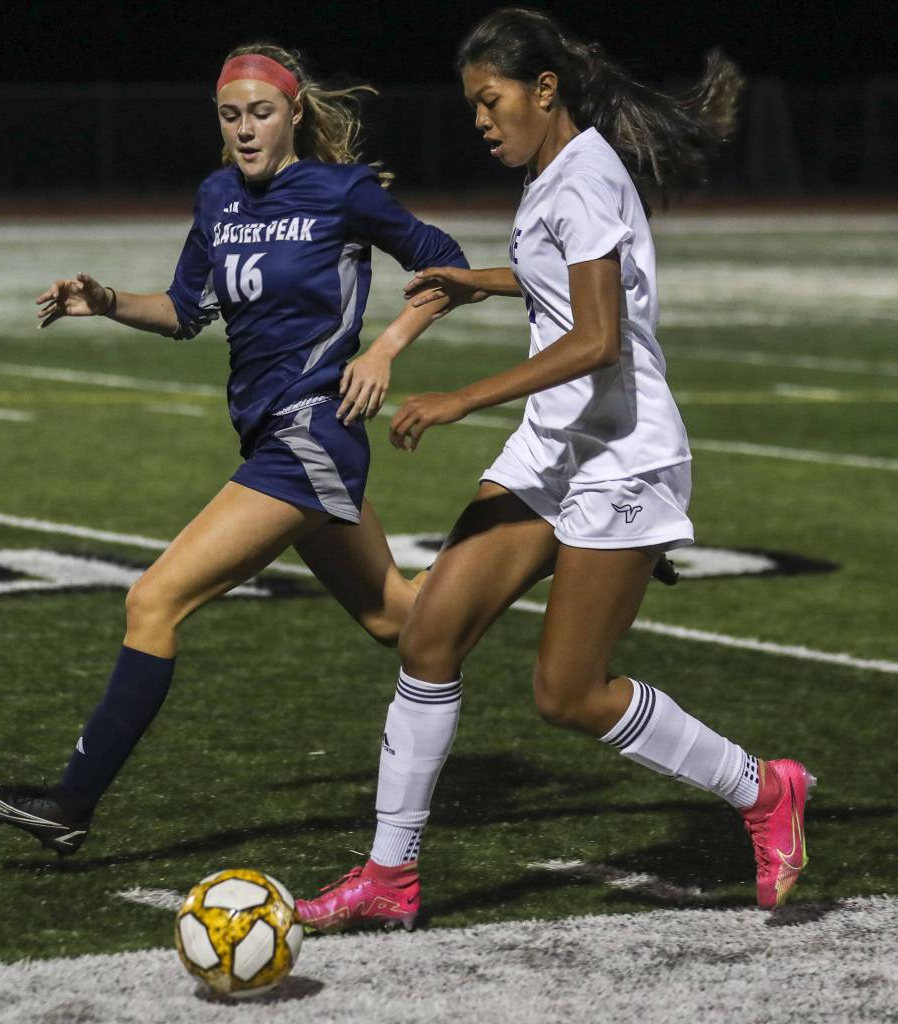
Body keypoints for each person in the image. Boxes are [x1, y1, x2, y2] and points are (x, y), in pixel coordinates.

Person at [296, 8, 815, 932]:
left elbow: (599, 335)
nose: (482, 121)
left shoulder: (580, 180)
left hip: (621, 454)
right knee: (428, 638)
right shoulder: (553, 175)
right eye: (472, 108)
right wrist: (478, 281)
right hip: (554, 446)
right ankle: (389, 874)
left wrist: (461, 397)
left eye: (491, 102)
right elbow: (563, 279)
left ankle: (762, 789)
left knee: (566, 693)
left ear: (544, 91)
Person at [0, 42, 469, 856]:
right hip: (275, 435)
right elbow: (183, 310)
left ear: (295, 112)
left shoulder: (342, 191)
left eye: (260, 113)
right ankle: (553, 542)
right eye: (230, 115)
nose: (244, 130)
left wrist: (382, 351)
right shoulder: (217, 198)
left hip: (311, 434)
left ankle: (71, 803)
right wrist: (105, 301)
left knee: (153, 601)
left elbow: (445, 264)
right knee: (398, 619)